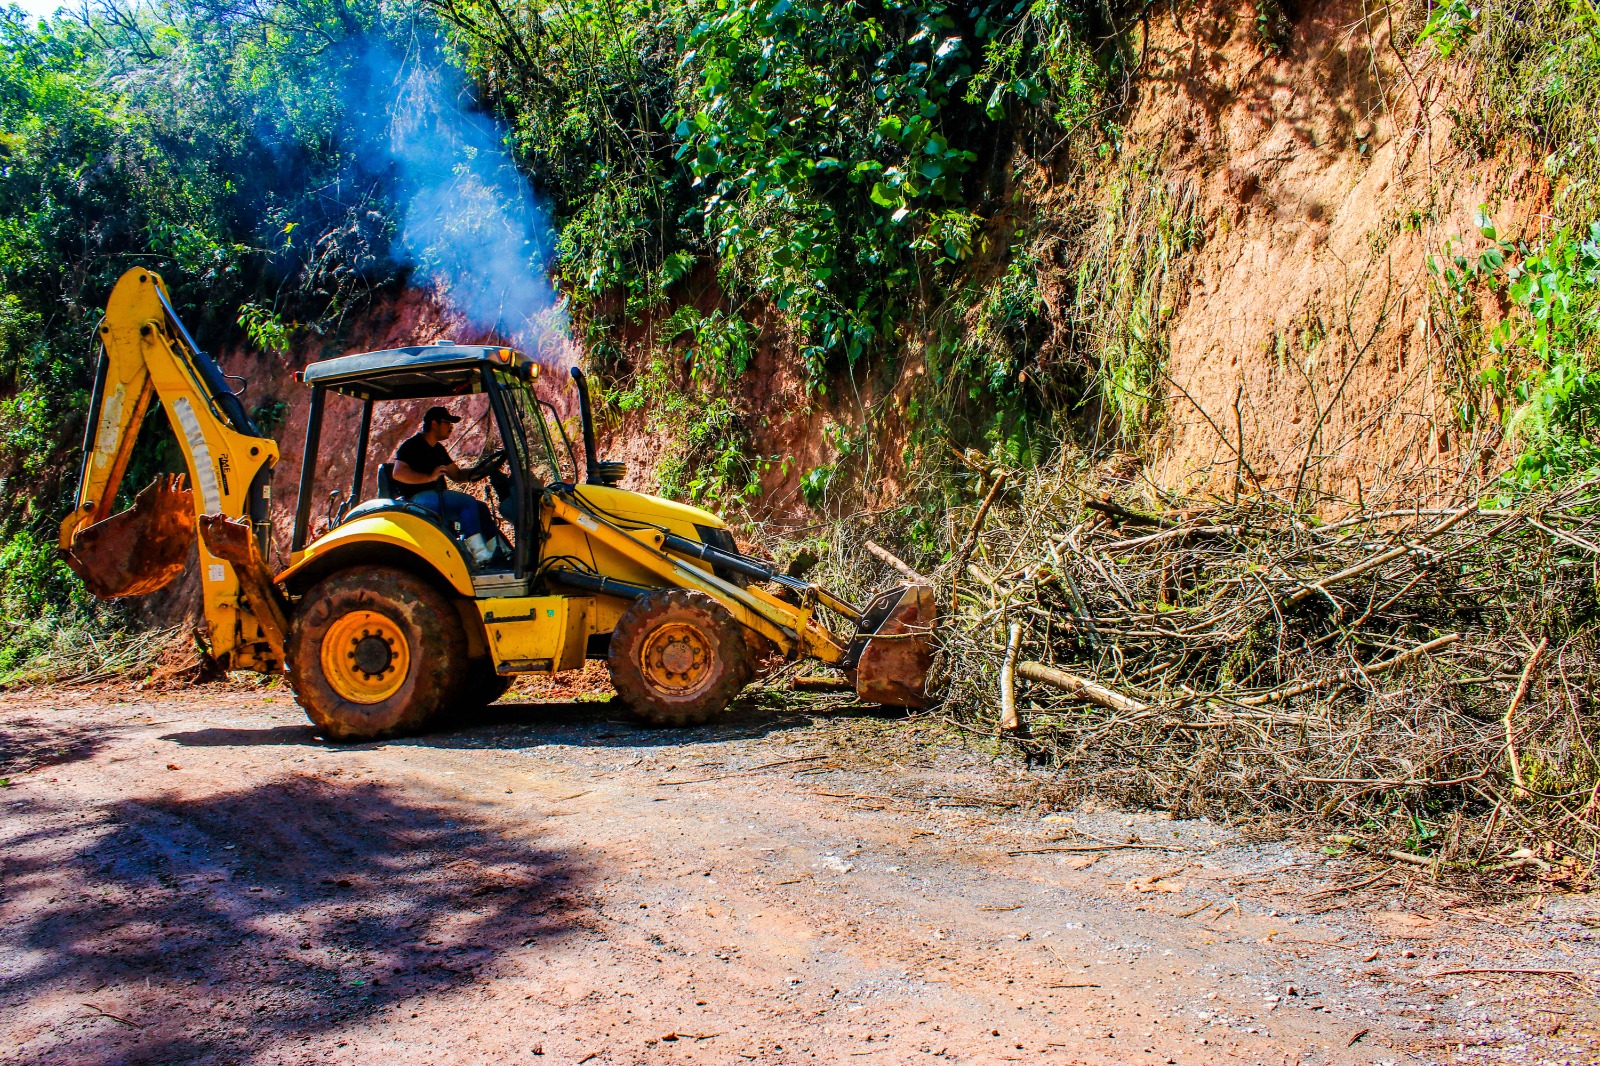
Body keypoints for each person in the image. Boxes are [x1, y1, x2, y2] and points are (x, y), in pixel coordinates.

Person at [391, 406, 504, 566]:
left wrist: (483, 470)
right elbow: (398, 473)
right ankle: (481, 557)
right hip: (418, 500)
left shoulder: (438, 449)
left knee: (480, 508)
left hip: (436, 497)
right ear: (434, 423)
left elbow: (457, 475)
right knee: (466, 502)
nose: (451, 427)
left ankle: (498, 553)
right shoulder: (412, 446)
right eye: (447, 423)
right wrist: (429, 477)